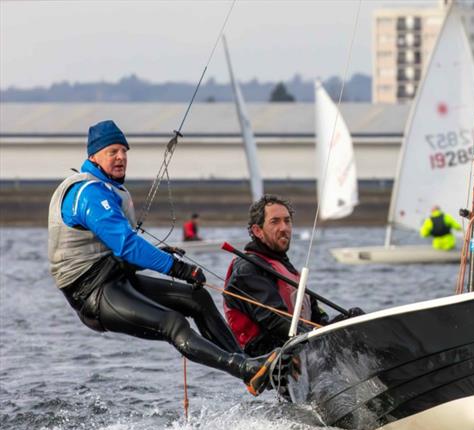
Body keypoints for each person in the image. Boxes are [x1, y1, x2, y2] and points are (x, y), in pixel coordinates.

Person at [48, 120, 269, 396]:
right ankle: (244, 368)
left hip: (116, 278)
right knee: (173, 322)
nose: (120, 157)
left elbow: (118, 253)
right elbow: (126, 245)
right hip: (92, 295)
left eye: (124, 151)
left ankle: (249, 368)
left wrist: (160, 255)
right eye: (112, 152)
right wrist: (177, 268)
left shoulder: (106, 189)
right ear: (93, 156)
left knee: (197, 298)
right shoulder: (88, 193)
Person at [223, 194, 363, 359]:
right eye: (275, 222)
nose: (284, 228)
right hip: (270, 355)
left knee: (355, 317)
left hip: (301, 344)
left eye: (287, 221)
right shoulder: (248, 269)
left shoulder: (287, 269)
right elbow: (275, 320)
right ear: (257, 231)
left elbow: (318, 317)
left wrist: (336, 327)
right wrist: (320, 341)